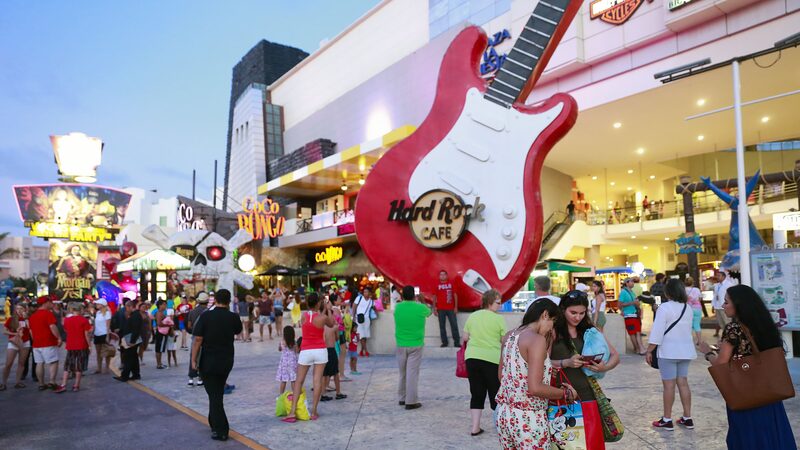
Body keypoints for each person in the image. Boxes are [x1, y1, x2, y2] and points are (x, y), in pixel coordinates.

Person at [699, 285, 795, 449]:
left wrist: (708, 353)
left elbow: (721, 364)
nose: (723, 305)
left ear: (739, 304)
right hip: (769, 393)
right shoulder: (765, 325)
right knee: (772, 436)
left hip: (746, 394)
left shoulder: (734, 328)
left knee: (748, 437)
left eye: (727, 302)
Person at [496, 299, 577, 449]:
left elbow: (502, 375)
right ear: (545, 315)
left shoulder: (509, 336)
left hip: (504, 415)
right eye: (552, 321)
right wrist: (566, 394)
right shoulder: (536, 340)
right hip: (529, 419)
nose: (551, 327)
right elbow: (535, 388)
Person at [191, 289, 242, 441]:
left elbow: (198, 339)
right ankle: (214, 423)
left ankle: (221, 430)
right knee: (216, 394)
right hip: (226, 360)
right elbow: (238, 331)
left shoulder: (206, 316)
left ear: (215, 300)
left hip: (208, 361)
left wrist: (193, 359)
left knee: (214, 396)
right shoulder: (233, 317)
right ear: (229, 301)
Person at [551, 290, 620, 403]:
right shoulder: (552, 332)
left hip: (588, 394)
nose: (577, 317)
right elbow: (540, 363)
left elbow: (615, 356)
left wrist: (603, 368)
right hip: (562, 394)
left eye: (582, 313)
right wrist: (566, 362)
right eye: (573, 313)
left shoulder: (590, 331)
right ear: (563, 310)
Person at [645, 279, 696, 431]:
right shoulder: (688, 308)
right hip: (686, 351)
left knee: (669, 386)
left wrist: (649, 350)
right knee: (683, 383)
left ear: (668, 292)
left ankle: (667, 420)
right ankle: (687, 418)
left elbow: (657, 331)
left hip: (668, 352)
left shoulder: (664, 308)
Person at [284, 293, 335, 423]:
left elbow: (311, 321)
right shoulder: (322, 317)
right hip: (320, 350)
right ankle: (314, 411)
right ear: (318, 303)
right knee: (317, 380)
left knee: (299, 381)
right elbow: (332, 323)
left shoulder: (303, 316)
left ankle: (292, 412)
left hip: (306, 350)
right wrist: (328, 309)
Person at [462, 289, 506, 436]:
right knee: (495, 392)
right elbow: (503, 340)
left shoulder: (472, 316)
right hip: (492, 359)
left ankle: (475, 427)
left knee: (476, 393)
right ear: (489, 302)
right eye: (498, 303)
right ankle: (499, 427)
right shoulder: (498, 319)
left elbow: (465, 337)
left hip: (472, 358)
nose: (500, 306)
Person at [394, 285, 431, 410]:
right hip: (416, 344)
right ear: (414, 295)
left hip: (400, 343)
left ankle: (402, 397)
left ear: (403, 295)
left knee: (402, 373)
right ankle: (411, 401)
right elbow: (429, 312)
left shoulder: (398, 307)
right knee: (412, 373)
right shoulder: (420, 307)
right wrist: (422, 300)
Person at [55, 303, 92, 393]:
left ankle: (63, 384)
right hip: (82, 345)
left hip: (71, 345)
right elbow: (86, 334)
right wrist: (89, 345)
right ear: (81, 310)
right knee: (79, 365)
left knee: (68, 364)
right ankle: (76, 385)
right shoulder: (84, 320)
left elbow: (66, 330)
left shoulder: (67, 320)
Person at [29, 296, 62, 390]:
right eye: (50, 302)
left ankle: (41, 384)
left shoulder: (33, 316)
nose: (52, 304)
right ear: (45, 303)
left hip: (37, 344)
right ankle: (52, 381)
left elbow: (31, 331)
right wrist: (58, 338)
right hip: (48, 342)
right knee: (53, 362)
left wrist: (35, 340)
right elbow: (52, 327)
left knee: (39, 363)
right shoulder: (48, 314)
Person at [2, 304, 31, 390]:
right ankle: (3, 383)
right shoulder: (11, 319)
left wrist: (26, 319)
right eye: (17, 308)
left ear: (25, 309)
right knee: (8, 364)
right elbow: (4, 331)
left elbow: (30, 328)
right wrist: (15, 334)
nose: (19, 310)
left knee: (21, 363)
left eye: (21, 308)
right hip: (14, 342)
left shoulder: (27, 319)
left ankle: (18, 382)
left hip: (25, 342)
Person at [114, 300, 143, 382]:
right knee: (133, 357)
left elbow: (135, 329)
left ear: (130, 307)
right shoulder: (133, 315)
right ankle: (136, 374)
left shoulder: (136, 316)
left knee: (128, 357)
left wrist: (133, 341)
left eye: (126, 307)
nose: (125, 309)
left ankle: (125, 376)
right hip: (130, 338)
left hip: (132, 340)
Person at [320, 314, 346, 402]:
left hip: (323, 351)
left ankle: (323, 393)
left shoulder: (321, 327)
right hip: (331, 350)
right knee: (335, 373)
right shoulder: (334, 327)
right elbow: (337, 338)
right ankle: (338, 392)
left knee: (324, 374)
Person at [433, 270, 459, 348]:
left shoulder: (451, 284)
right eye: (441, 275)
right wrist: (434, 307)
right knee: (442, 326)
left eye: (444, 274)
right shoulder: (436, 285)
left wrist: (456, 307)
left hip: (451, 308)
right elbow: (434, 297)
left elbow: (455, 295)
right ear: (439, 276)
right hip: (441, 309)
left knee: (454, 325)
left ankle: (457, 342)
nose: (442, 276)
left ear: (447, 276)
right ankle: (444, 342)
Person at [186, 292, 208, 386]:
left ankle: (191, 378)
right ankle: (200, 378)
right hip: (205, 337)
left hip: (195, 337)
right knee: (203, 357)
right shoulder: (208, 312)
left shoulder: (192, 311)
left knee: (193, 356)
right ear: (207, 301)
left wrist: (194, 332)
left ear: (198, 300)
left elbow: (189, 326)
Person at [619, 278, 645, 354]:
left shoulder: (632, 292)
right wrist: (632, 303)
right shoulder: (623, 292)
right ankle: (638, 348)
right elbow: (620, 304)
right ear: (626, 283)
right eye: (631, 281)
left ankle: (638, 348)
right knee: (633, 333)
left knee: (637, 332)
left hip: (635, 314)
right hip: (629, 315)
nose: (633, 283)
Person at [712, 271, 735, 337]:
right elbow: (715, 296)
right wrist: (713, 305)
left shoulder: (729, 284)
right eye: (717, 275)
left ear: (724, 276)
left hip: (725, 307)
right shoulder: (717, 285)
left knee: (727, 322)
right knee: (721, 323)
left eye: (719, 275)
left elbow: (732, 296)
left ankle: (731, 336)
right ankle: (727, 335)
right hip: (717, 306)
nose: (717, 277)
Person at [353, 287, 375, 356]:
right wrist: (353, 316)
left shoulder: (371, 301)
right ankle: (366, 350)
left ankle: (361, 351)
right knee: (361, 335)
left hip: (367, 319)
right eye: (364, 292)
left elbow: (372, 309)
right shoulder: (359, 298)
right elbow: (354, 306)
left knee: (365, 335)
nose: (365, 293)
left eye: (367, 292)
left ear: (370, 293)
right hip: (359, 318)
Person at [276, 326, 298, 394]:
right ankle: (295, 395)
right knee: (293, 380)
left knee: (283, 380)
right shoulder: (294, 342)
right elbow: (297, 351)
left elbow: (279, 349)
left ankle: (281, 395)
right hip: (292, 363)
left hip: (284, 363)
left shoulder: (282, 342)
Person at [92, 299, 112, 374]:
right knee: (98, 352)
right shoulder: (98, 313)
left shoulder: (107, 313)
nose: (96, 305)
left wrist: (107, 335)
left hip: (104, 334)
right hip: (97, 334)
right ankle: (99, 367)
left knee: (106, 352)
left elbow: (108, 325)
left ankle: (107, 367)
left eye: (98, 304)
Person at [685, 277, 703, 345]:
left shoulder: (683, 290)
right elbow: (700, 299)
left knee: (688, 325)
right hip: (697, 308)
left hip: (688, 309)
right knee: (697, 325)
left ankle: (688, 340)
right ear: (693, 282)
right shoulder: (696, 289)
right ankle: (699, 341)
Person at [153, 300, 169, 369]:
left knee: (159, 348)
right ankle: (159, 364)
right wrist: (168, 324)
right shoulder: (159, 313)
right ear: (160, 305)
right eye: (164, 304)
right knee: (159, 348)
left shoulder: (160, 313)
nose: (165, 306)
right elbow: (159, 323)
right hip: (161, 332)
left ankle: (160, 363)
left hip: (161, 332)